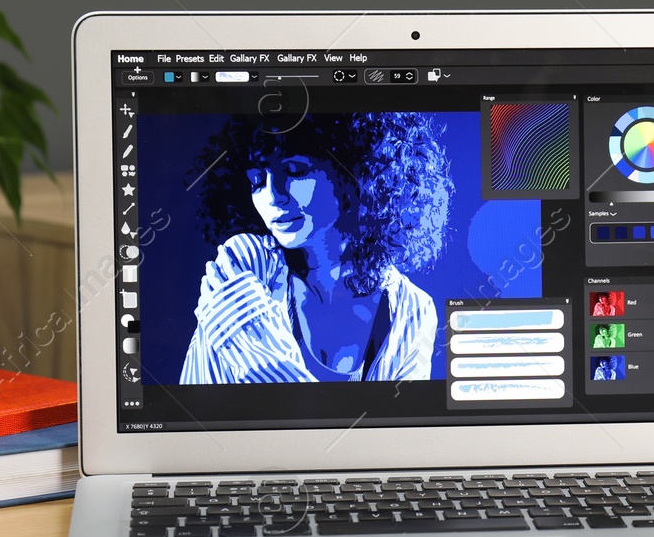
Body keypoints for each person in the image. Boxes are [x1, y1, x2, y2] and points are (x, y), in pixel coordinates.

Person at [180, 112, 454, 383]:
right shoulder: (244, 262)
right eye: (256, 181)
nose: (273, 196)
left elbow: (399, 425)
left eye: (294, 171)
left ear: (354, 172)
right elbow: (216, 394)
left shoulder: (413, 308)